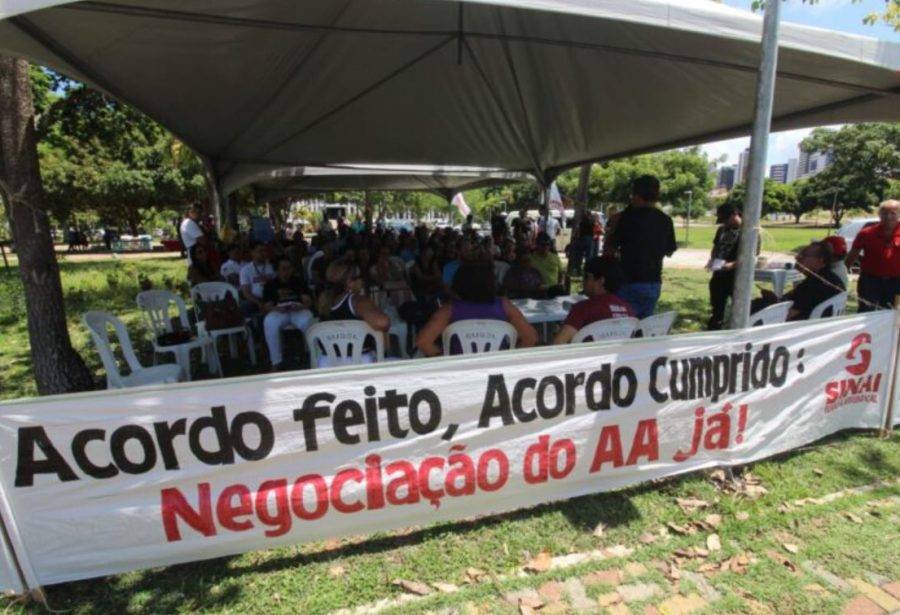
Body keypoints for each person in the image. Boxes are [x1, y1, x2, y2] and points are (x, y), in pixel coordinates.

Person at [416, 261, 538, 356]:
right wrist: (510, 357)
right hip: (498, 369)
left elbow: (423, 342)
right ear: (492, 283)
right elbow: (531, 338)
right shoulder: (504, 305)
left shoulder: (450, 309)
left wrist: (445, 358)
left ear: (459, 282)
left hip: (461, 371)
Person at [604, 175, 677, 319]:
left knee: (623, 329)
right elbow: (670, 250)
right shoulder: (665, 220)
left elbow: (608, 251)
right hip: (653, 282)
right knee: (643, 329)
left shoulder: (624, 218)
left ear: (636, 194)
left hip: (627, 282)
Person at [754, 241, 844, 320]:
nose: (797, 258)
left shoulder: (816, 285)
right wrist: (776, 300)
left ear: (820, 261)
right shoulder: (827, 278)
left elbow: (788, 314)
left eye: (803, 255)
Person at [553, 256, 634, 344]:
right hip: (618, 356)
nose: (583, 281)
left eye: (586, 276)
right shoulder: (628, 310)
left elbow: (558, 343)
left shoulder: (583, 308)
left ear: (601, 280)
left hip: (588, 357)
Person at [845, 200, 900, 311]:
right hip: (870, 281)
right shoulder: (866, 233)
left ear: (899, 214)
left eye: (893, 213)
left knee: (892, 315)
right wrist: (843, 273)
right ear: (879, 214)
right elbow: (852, 256)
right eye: (884, 213)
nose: (888, 217)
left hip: (896, 281)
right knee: (866, 312)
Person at [261, 258, 314, 370]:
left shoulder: (299, 281)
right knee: (269, 322)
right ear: (278, 270)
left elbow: (308, 301)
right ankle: (276, 361)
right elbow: (267, 306)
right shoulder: (271, 284)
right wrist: (276, 308)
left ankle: (313, 355)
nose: (287, 271)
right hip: (279, 310)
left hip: (298, 309)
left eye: (289, 268)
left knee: (307, 320)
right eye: (284, 269)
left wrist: (301, 306)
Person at [706, 204, 743, 330]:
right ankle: (714, 331)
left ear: (734, 215)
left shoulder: (749, 232)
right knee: (717, 309)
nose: (725, 224)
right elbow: (716, 247)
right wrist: (712, 260)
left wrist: (732, 265)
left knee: (738, 310)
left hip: (737, 278)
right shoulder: (722, 230)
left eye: (726, 220)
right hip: (719, 275)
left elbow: (751, 257)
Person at [239, 244, 276, 316]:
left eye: (265, 251)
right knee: (245, 306)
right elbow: (246, 293)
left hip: (273, 298)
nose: (263, 253)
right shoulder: (245, 270)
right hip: (256, 300)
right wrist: (259, 303)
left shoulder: (272, 266)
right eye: (260, 251)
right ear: (252, 253)